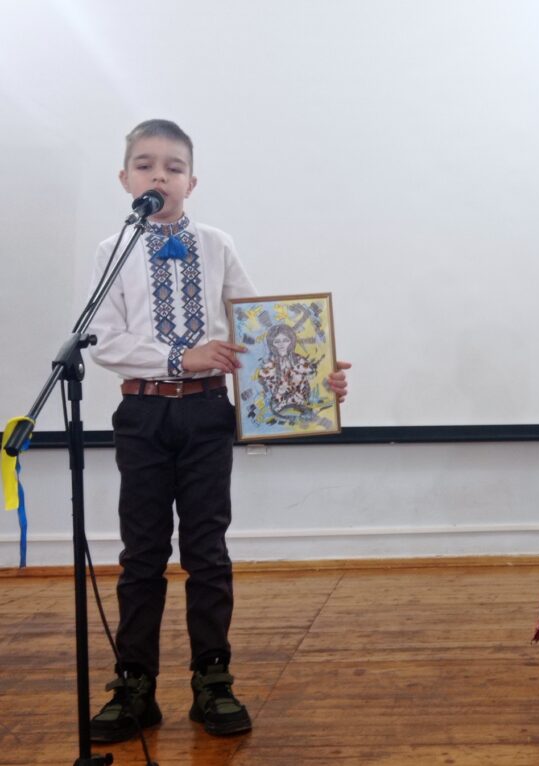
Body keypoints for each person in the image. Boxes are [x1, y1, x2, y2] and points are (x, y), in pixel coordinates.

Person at [87, 119, 350, 742]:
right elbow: (105, 340)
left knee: (206, 549)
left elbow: (257, 329)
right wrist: (180, 357)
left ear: (192, 181)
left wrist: (314, 377)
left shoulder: (215, 244)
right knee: (142, 553)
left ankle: (213, 678)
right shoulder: (112, 251)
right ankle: (134, 683)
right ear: (125, 179)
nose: (159, 175)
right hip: (143, 415)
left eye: (173, 167)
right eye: (145, 165)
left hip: (206, 413)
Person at [257, 324, 318, 414]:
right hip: (279, 400)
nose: (281, 344)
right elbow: (262, 378)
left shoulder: (298, 359)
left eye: (285, 340)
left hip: (300, 397)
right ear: (272, 343)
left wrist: (301, 373)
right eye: (277, 341)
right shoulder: (270, 363)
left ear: (291, 341)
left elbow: (311, 372)